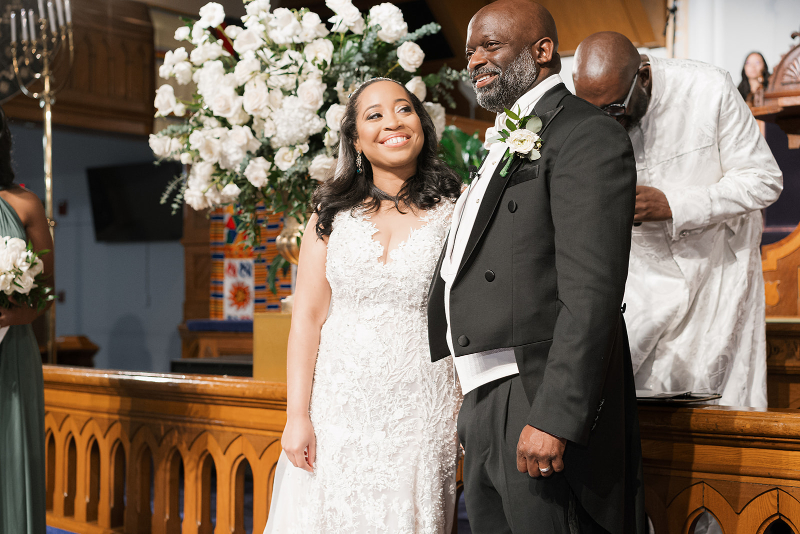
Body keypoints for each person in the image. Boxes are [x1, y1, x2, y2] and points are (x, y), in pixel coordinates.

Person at [427, 2, 645, 533]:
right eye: (471, 48)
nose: (475, 58)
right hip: (484, 394)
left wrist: (554, 415)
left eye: (491, 45)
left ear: (542, 51)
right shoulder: (504, 138)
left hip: (534, 393)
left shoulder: (584, 134)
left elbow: (591, 292)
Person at [264, 78, 463, 533]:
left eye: (404, 110)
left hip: (423, 404)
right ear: (355, 139)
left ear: (422, 124)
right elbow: (307, 320)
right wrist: (298, 416)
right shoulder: (330, 213)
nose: (392, 122)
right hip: (338, 406)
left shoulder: (458, 207)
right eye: (374, 115)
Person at [572, 32, 783, 408]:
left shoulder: (709, 87)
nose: (606, 124)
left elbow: (764, 180)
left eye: (614, 110)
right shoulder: (598, 109)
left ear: (644, 77)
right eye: (594, 113)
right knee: (633, 404)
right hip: (639, 281)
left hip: (715, 273)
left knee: (711, 404)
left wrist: (674, 204)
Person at [0, 106, 54, 534]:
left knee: (12, 456)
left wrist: (14, 312)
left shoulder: (24, 204)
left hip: (11, 353)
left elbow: (46, 295)